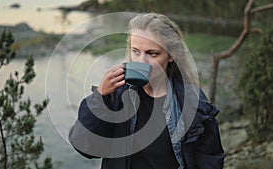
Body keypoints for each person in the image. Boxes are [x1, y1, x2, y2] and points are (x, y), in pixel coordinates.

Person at [68, 12, 225, 169]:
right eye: (136, 51)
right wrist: (100, 96)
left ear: (171, 55)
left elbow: (210, 159)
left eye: (152, 53)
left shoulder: (192, 101)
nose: (141, 61)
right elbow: (84, 147)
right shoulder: (116, 94)